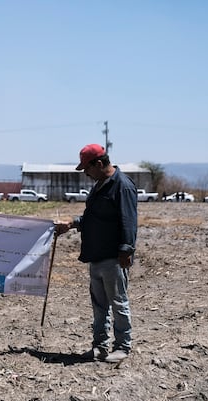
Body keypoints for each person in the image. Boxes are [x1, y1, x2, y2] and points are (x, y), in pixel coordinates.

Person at [56, 144, 138, 363]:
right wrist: (72, 223)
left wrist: (126, 250)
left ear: (99, 164)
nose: (85, 173)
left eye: (87, 168)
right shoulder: (99, 185)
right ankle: (100, 347)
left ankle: (122, 347)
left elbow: (129, 221)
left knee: (118, 303)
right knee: (99, 306)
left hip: (114, 257)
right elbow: (93, 219)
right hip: (96, 255)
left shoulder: (122, 186)